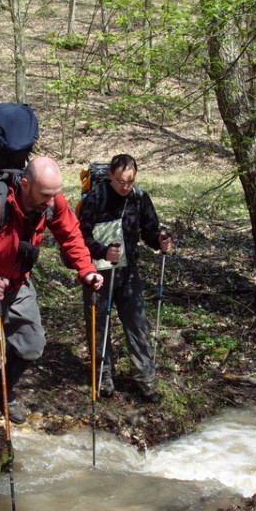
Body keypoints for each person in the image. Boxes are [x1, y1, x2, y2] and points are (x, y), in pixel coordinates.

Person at [0, 156, 104, 441]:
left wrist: (87, 270)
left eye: (55, 194)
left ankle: (1, 393)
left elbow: (71, 236)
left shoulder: (53, 203)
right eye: (45, 195)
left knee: (32, 345)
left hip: (16, 282)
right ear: (25, 185)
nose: (51, 202)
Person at [78, 154, 173, 403]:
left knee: (138, 324)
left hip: (128, 273)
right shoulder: (96, 199)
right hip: (97, 273)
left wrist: (160, 241)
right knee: (99, 327)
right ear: (110, 175)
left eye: (130, 181)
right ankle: (104, 376)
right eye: (120, 181)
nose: (125, 186)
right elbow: (79, 237)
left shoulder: (139, 198)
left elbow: (150, 230)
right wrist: (102, 251)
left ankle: (145, 379)